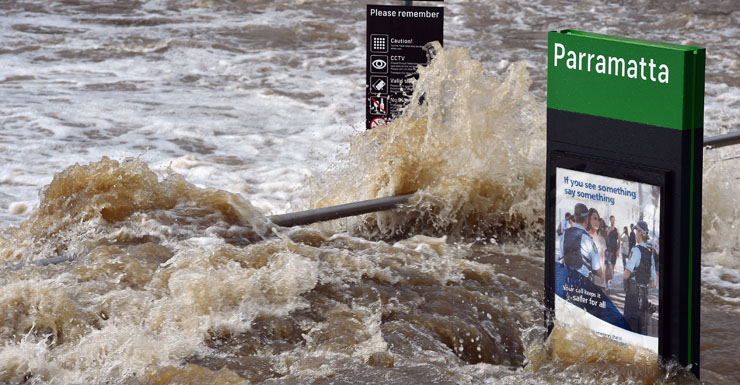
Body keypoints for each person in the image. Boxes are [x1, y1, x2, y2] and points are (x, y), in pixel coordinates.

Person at [560, 203, 604, 317]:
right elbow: (598, 270)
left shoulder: (564, 235)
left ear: (574, 217)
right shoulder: (588, 239)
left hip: (568, 285)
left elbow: (561, 261)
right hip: (585, 288)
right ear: (586, 219)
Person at [623, 220, 657, 335]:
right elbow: (653, 284)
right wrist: (643, 285)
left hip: (633, 297)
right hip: (644, 297)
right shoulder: (650, 255)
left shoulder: (635, 250)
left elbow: (626, 274)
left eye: (637, 231)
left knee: (629, 331)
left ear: (640, 233)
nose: (636, 233)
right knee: (641, 332)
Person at [587, 209, 607, 293]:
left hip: (598, 282)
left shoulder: (601, 240)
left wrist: (604, 283)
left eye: (598, 219)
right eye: (594, 218)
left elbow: (602, 263)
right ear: (588, 220)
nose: (597, 221)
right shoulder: (583, 236)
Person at [605, 215, 620, 287]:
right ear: (610, 220)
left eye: (614, 220)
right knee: (609, 266)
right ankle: (607, 282)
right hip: (609, 249)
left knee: (613, 266)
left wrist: (618, 250)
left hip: (614, 250)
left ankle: (609, 281)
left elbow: (619, 240)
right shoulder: (608, 228)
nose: (613, 221)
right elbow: (606, 237)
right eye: (612, 220)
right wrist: (609, 230)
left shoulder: (617, 230)